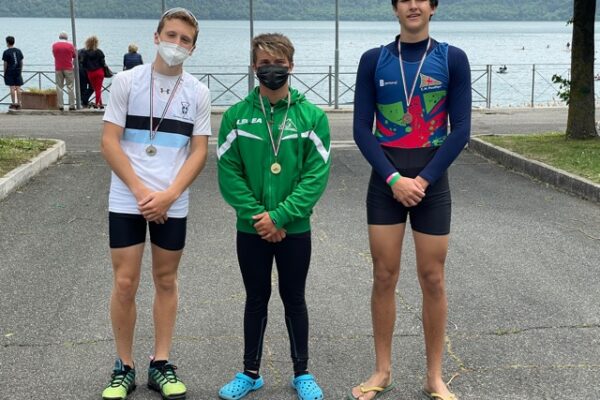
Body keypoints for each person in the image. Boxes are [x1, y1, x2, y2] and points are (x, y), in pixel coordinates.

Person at [350, 0, 471, 399]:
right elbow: (361, 129)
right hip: (386, 181)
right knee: (384, 275)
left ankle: (434, 376)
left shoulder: (453, 58)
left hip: (430, 182)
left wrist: (422, 180)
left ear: (433, 7)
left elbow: (460, 130)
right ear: (395, 8)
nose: (413, 5)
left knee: (433, 278)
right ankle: (382, 370)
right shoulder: (374, 60)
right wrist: (393, 178)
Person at [100, 7, 210, 400]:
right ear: (156, 36)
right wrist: (139, 191)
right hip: (127, 197)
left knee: (165, 280)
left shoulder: (198, 92)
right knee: (125, 282)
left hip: (172, 200)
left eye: (185, 40)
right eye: (172, 35)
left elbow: (199, 151)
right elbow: (109, 141)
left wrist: (169, 194)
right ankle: (124, 366)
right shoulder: (126, 82)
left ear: (192, 48)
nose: (176, 44)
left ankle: (160, 363)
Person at [217, 33, 330, 400]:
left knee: (294, 298)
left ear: (291, 66)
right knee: (256, 299)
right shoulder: (236, 116)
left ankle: (302, 373)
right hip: (251, 229)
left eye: (279, 63)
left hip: (294, 229)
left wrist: (280, 217)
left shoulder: (312, 117)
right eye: (264, 63)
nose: (272, 69)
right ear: (254, 67)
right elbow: (228, 173)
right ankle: (250, 373)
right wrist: (258, 217)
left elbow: (315, 177)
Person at [52, 31, 76, 111]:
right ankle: (72, 105)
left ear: (59, 37)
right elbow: (74, 56)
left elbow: (54, 55)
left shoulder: (54, 45)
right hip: (68, 68)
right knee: (70, 87)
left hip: (58, 68)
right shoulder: (70, 45)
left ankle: (60, 105)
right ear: (67, 38)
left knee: (59, 87)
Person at [81, 35, 107, 109]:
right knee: (98, 89)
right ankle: (96, 104)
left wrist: (88, 68)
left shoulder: (85, 53)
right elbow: (103, 63)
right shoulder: (99, 52)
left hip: (90, 73)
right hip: (99, 72)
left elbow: (83, 63)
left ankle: (100, 104)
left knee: (96, 89)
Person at [2, 36, 24, 110]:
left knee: (12, 88)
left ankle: (14, 103)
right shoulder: (18, 51)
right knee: (18, 88)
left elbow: (5, 64)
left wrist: (4, 72)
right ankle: (19, 103)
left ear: (7, 43)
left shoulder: (6, 52)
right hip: (18, 71)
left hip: (10, 71)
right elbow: (21, 62)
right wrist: (20, 70)